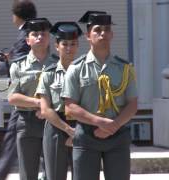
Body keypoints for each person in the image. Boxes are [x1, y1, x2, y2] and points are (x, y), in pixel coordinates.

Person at [63, 11, 138, 180]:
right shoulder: (76, 68)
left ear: (112, 34)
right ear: (88, 35)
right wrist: (99, 122)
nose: (102, 33)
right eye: (97, 30)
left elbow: (132, 104)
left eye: (106, 29)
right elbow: (70, 106)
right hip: (86, 137)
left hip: (118, 135)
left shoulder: (124, 68)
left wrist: (113, 125)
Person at [8, 17, 57, 180]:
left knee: (54, 172)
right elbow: (13, 97)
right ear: (27, 40)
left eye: (43, 34)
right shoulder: (18, 65)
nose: (40, 37)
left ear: (49, 38)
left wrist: (47, 110)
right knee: (28, 173)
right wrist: (39, 103)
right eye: (35, 34)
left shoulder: (58, 64)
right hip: (27, 122)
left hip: (54, 122)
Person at [0, 1, 37, 179]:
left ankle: (0, 173)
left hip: (23, 93)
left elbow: (19, 65)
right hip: (34, 91)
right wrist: (5, 59)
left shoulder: (24, 34)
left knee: (13, 133)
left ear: (16, 15)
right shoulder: (32, 31)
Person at [35, 21, 83, 180]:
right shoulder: (49, 73)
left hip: (82, 126)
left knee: (83, 175)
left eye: (73, 44)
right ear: (57, 46)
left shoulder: (85, 72)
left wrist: (77, 131)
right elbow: (45, 109)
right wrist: (68, 130)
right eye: (65, 44)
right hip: (56, 127)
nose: (69, 48)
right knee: (55, 175)